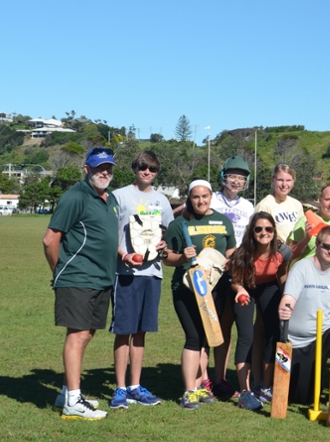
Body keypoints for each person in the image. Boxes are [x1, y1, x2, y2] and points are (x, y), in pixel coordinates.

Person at [45, 147, 119, 420]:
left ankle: (66, 393)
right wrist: (60, 272)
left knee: (86, 334)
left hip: (101, 278)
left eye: (108, 168)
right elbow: (50, 239)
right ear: (86, 169)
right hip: (78, 277)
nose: (104, 172)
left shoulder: (107, 198)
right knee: (77, 335)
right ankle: (73, 402)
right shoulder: (75, 197)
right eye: (99, 167)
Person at [109, 150, 174, 409]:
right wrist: (123, 256)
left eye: (152, 169)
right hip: (126, 273)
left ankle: (135, 386)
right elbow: (109, 234)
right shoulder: (120, 195)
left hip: (152, 273)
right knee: (123, 330)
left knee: (140, 332)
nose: (147, 172)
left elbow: (169, 232)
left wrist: (164, 243)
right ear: (135, 168)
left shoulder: (162, 200)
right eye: (143, 167)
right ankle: (120, 388)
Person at [164, 179, 236, 410]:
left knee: (205, 340)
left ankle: (199, 387)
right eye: (196, 197)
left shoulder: (224, 221)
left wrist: (229, 260)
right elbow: (167, 258)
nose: (200, 200)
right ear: (190, 198)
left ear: (211, 196)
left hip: (215, 288)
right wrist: (183, 257)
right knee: (193, 338)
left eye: (204, 196)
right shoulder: (179, 224)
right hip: (186, 289)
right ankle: (188, 391)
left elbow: (231, 250)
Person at [277, 226, 330, 405]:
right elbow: (288, 298)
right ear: (318, 244)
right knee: (302, 399)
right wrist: (284, 308)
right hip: (296, 340)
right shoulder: (301, 268)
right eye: (327, 246)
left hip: (323, 334)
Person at [229, 212, 292, 410]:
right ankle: (245, 392)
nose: (263, 232)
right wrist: (240, 290)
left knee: (273, 333)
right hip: (245, 287)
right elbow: (236, 281)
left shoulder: (283, 251)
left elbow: (281, 274)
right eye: (258, 229)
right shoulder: (243, 253)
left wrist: (287, 296)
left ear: (273, 232)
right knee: (246, 335)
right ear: (252, 231)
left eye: (268, 229)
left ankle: (265, 387)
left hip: (269, 287)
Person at [209, 156, 255, 399]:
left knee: (233, 326)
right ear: (223, 175)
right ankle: (212, 378)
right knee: (214, 326)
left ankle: (226, 378)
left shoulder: (248, 207)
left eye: (241, 177)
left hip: (238, 271)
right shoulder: (212, 199)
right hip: (213, 269)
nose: (236, 181)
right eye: (232, 175)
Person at [288, 183, 330, 266]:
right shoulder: (305, 221)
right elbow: (289, 255)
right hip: (305, 273)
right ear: (320, 199)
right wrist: (306, 239)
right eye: (327, 199)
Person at [255, 164, 304, 244]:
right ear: (273, 180)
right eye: (280, 180)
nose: (284, 184)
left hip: (296, 253)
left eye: (288, 180)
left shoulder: (297, 205)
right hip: (275, 253)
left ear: (293, 181)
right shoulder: (265, 205)